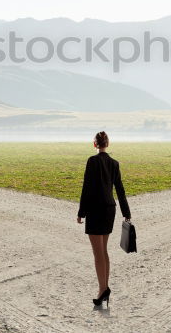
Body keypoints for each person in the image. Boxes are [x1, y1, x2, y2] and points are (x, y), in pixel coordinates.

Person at [76, 130, 130, 308]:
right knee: (104, 251)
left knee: (97, 253)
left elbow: (87, 188)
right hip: (109, 209)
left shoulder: (92, 161)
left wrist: (81, 212)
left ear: (95, 144)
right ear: (108, 143)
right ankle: (104, 289)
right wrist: (126, 212)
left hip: (95, 209)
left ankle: (102, 290)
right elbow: (120, 190)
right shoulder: (114, 163)